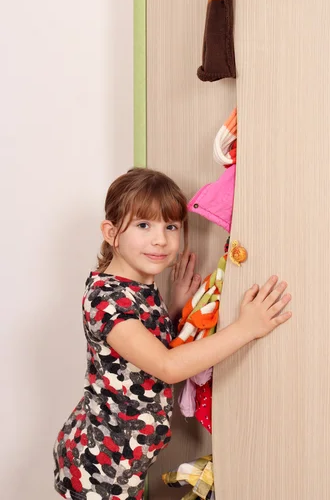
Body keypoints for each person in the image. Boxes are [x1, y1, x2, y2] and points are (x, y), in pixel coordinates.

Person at [53, 167, 292, 500]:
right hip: (100, 465)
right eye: (143, 225)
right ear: (111, 232)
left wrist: (174, 309)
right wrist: (245, 329)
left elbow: (142, 344)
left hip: (122, 456)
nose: (160, 239)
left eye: (171, 226)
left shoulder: (134, 284)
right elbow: (167, 366)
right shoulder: (107, 301)